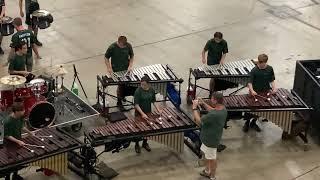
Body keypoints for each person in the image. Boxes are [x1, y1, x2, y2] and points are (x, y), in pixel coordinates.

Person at [192, 92, 227, 180]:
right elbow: (212, 110)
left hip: (210, 140)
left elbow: (199, 121)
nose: (210, 100)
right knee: (206, 154)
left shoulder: (213, 115)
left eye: (212, 99)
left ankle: (212, 176)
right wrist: (203, 103)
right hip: (209, 136)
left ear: (215, 101)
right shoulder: (223, 109)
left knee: (212, 158)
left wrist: (194, 108)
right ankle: (207, 171)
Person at [243, 53, 277, 132]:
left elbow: (272, 80)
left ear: (266, 62)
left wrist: (274, 88)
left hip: (265, 91)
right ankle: (247, 123)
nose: (260, 65)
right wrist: (252, 90)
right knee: (250, 109)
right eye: (259, 63)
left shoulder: (270, 69)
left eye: (262, 63)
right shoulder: (254, 70)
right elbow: (249, 83)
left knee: (261, 109)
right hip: (254, 93)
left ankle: (253, 122)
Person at [4, 101, 35, 180]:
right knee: (10, 163)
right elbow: (7, 135)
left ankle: (15, 176)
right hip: (9, 144)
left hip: (18, 140)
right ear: (16, 112)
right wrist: (18, 141)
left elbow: (22, 127)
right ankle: (7, 178)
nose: (24, 112)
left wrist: (30, 132)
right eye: (22, 111)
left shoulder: (20, 117)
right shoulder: (8, 121)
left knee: (17, 161)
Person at [133, 75, 162, 154]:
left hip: (148, 112)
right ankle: (137, 144)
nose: (142, 86)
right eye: (141, 84)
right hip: (139, 114)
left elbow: (153, 101)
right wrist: (142, 114)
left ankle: (145, 143)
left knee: (148, 129)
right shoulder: (138, 91)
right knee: (138, 130)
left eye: (144, 84)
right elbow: (136, 105)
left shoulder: (151, 90)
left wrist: (158, 109)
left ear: (149, 84)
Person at [105, 35, 134, 110]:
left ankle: (122, 95)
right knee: (120, 85)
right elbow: (106, 57)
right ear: (119, 42)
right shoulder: (112, 47)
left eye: (124, 46)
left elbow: (132, 56)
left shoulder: (128, 45)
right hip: (116, 70)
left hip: (126, 69)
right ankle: (119, 101)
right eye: (122, 46)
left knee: (126, 85)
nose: (123, 47)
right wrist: (109, 68)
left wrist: (130, 66)